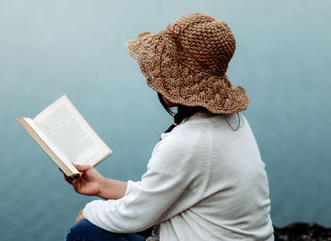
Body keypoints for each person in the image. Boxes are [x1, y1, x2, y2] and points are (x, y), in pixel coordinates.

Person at [64, 13, 274, 240]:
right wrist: (102, 186)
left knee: (83, 232)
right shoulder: (235, 123)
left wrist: (89, 211)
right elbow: (160, 195)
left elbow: (136, 215)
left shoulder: (188, 142)